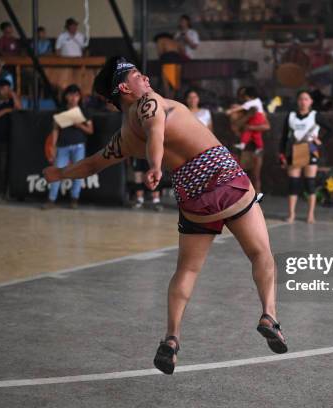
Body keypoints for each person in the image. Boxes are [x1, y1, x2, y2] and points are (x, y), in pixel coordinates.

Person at [43, 57, 288, 374]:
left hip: (190, 194)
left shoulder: (124, 139)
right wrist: (156, 165)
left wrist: (59, 173)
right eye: (135, 75)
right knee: (261, 252)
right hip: (221, 176)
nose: (144, 77)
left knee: (186, 271)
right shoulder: (149, 102)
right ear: (123, 87)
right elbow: (156, 128)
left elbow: (91, 164)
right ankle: (269, 314)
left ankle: (171, 339)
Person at [279, 89, 332, 224]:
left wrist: (321, 139)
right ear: (297, 101)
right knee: (293, 184)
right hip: (294, 150)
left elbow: (332, 130)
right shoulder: (291, 115)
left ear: (311, 102)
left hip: (310, 149)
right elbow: (284, 136)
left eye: (306, 99)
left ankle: (310, 215)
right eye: (301, 99)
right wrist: (282, 154)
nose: (303, 102)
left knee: (310, 183)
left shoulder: (315, 115)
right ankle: (291, 214)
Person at [43, 85, 93, 209]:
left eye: (76, 95)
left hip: (78, 146)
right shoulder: (60, 111)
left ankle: (74, 199)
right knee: (57, 172)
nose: (73, 98)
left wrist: (79, 125)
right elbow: (55, 130)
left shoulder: (84, 111)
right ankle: (51, 199)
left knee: (78, 173)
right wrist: (53, 146)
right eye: (70, 95)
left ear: (79, 97)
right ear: (66, 96)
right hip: (62, 146)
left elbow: (90, 130)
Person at [227, 87, 266, 154]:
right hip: (258, 120)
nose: (243, 97)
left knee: (249, 131)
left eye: (244, 96)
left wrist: (231, 111)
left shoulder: (250, 104)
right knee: (255, 134)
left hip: (256, 120)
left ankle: (244, 144)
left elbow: (243, 107)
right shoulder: (257, 101)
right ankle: (257, 147)